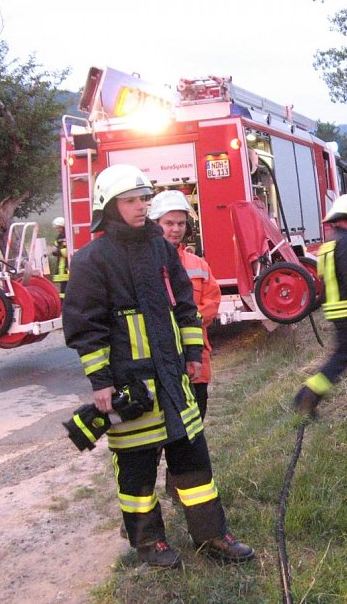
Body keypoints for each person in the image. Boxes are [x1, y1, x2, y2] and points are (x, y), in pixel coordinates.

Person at [62, 164, 253, 568]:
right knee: (136, 471)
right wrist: (101, 382)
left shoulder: (160, 248)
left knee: (194, 463)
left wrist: (192, 357)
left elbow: (184, 306)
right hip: (130, 386)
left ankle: (212, 536)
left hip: (173, 381)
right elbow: (86, 327)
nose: (139, 208)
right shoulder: (91, 260)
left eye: (142, 200)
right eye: (129, 201)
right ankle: (148, 543)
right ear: (109, 206)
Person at [293, 193, 347, 417]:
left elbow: (326, 282)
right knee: (341, 359)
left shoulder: (330, 243)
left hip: (338, 312)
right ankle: (308, 395)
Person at [148, 191, 220, 421]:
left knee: (194, 427)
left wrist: (188, 319)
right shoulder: (145, 265)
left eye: (180, 223)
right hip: (159, 363)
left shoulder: (197, 264)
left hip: (196, 362)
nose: (176, 229)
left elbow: (212, 301)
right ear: (155, 224)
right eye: (169, 223)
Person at [51, 217, 68, 296]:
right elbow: (54, 249)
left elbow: (68, 251)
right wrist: (55, 251)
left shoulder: (69, 236)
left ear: (63, 226)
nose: (57, 230)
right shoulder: (59, 237)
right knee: (62, 289)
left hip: (67, 267)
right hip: (61, 267)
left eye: (59, 228)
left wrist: (57, 251)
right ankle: (62, 304)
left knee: (67, 288)